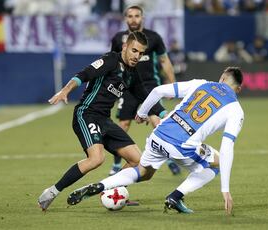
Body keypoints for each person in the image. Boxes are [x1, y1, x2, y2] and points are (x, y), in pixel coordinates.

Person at [66, 67, 244, 215]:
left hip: (158, 135)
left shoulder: (201, 84)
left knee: (144, 172)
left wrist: (142, 113)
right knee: (217, 163)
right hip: (182, 146)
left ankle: (100, 185)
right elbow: (227, 146)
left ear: (221, 78)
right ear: (238, 89)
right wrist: (225, 189)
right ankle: (175, 196)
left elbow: (158, 91)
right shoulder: (236, 110)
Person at [37, 31, 167, 211]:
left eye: (141, 53)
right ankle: (52, 192)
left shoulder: (132, 73)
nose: (137, 56)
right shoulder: (110, 60)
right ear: (125, 47)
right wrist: (66, 90)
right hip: (87, 114)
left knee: (138, 161)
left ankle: (107, 189)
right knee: (97, 158)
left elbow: (145, 96)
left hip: (105, 120)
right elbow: (84, 74)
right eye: (134, 51)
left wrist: (164, 114)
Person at [109, 5, 180, 176]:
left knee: (157, 122)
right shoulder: (119, 39)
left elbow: (165, 61)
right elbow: (112, 62)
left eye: (137, 16)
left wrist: (173, 87)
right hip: (127, 87)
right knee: (124, 125)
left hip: (150, 86)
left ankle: (169, 158)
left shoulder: (153, 37)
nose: (133, 19)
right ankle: (117, 162)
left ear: (142, 18)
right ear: (125, 18)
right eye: (130, 16)